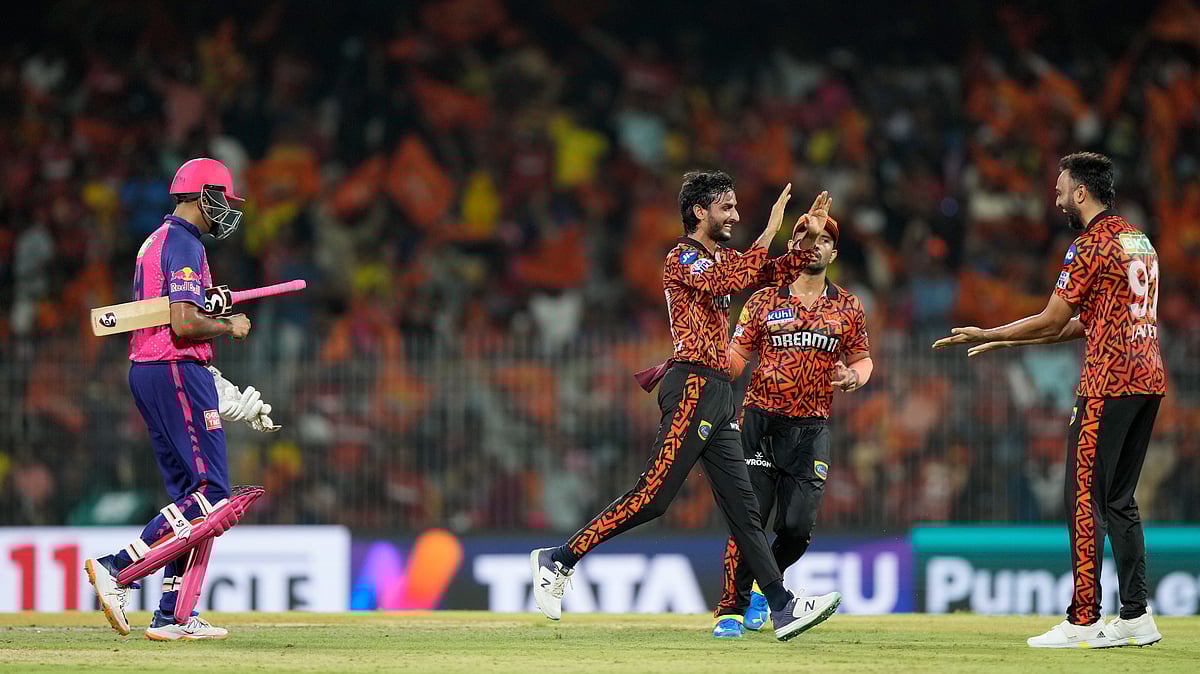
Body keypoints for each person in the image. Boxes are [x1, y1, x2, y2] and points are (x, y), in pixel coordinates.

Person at [530, 170, 842, 642]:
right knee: (654, 497)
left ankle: (782, 607)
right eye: (727, 207)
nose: (736, 214)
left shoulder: (717, 257)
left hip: (718, 393)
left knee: (745, 511)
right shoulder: (683, 257)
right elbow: (734, 277)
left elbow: (759, 270)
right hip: (693, 385)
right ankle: (559, 559)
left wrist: (803, 244)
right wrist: (774, 229)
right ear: (700, 211)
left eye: (738, 207)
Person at [934, 152, 1165, 649]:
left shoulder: (1089, 244)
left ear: (1081, 192)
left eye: (1061, 186)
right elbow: (1091, 321)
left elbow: (1052, 318)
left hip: (1108, 383)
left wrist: (994, 331)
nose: (1055, 194)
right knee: (1120, 499)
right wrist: (1010, 341)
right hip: (1148, 379)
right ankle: (1135, 616)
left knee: (1082, 498)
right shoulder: (1137, 239)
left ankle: (1083, 619)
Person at [84, 158, 278, 641]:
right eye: (222, 200)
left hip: (149, 369)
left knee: (193, 502)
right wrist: (227, 325)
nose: (225, 211)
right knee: (213, 496)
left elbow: (178, 310)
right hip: (173, 368)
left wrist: (211, 305)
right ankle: (117, 566)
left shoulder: (157, 240)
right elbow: (184, 324)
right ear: (202, 194)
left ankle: (173, 614)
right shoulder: (185, 243)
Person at [710, 217, 873, 638]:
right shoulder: (762, 301)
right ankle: (731, 609)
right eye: (805, 238)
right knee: (749, 518)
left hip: (812, 429)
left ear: (834, 253)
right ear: (794, 244)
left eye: (824, 240)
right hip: (760, 424)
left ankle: (769, 584)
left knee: (798, 528)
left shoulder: (848, 306)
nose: (814, 245)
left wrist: (855, 377)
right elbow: (735, 358)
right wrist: (703, 362)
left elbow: (863, 359)